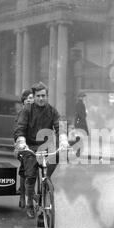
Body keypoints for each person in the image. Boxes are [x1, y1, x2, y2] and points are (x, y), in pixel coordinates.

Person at [13, 82, 69, 218]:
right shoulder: (27, 110)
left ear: (47, 96)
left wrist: (62, 139)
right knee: (31, 175)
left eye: (43, 95)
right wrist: (21, 141)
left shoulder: (51, 110)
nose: (41, 98)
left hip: (46, 146)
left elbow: (59, 124)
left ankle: (46, 181)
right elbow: (20, 127)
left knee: (56, 157)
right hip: (30, 146)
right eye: (38, 96)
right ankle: (30, 205)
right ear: (35, 96)